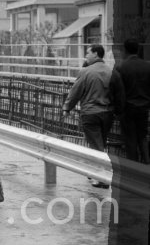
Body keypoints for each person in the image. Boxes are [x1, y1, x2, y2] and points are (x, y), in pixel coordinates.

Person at [62, 44, 125, 188]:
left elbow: (75, 92)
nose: (86, 56)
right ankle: (96, 174)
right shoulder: (111, 72)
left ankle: (101, 177)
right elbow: (119, 94)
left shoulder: (85, 72)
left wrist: (67, 108)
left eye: (88, 53)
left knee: (96, 146)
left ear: (96, 54)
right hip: (107, 114)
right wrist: (118, 111)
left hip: (90, 113)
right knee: (100, 143)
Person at [114, 38, 150, 164]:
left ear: (125, 50)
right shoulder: (147, 66)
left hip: (128, 109)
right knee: (143, 137)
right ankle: (147, 163)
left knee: (130, 140)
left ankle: (133, 167)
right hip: (144, 108)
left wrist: (118, 109)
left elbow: (118, 90)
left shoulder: (121, 67)